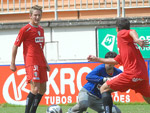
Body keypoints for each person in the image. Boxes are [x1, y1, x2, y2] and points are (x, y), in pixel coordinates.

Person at [87, 18, 150, 113]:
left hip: (131, 74)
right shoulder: (128, 45)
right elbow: (115, 61)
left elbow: (131, 31)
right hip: (142, 75)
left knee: (104, 88)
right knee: (148, 98)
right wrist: (97, 59)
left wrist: (137, 39)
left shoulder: (120, 34)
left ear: (117, 28)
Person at [10, 5, 50, 113]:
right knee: (35, 89)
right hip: (31, 62)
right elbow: (15, 45)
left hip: (41, 62)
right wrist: (12, 63)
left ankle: (33, 111)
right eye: (35, 15)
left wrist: (45, 62)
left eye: (39, 15)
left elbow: (40, 48)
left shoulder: (41, 30)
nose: (37, 17)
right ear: (30, 16)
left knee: (43, 89)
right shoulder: (25, 29)